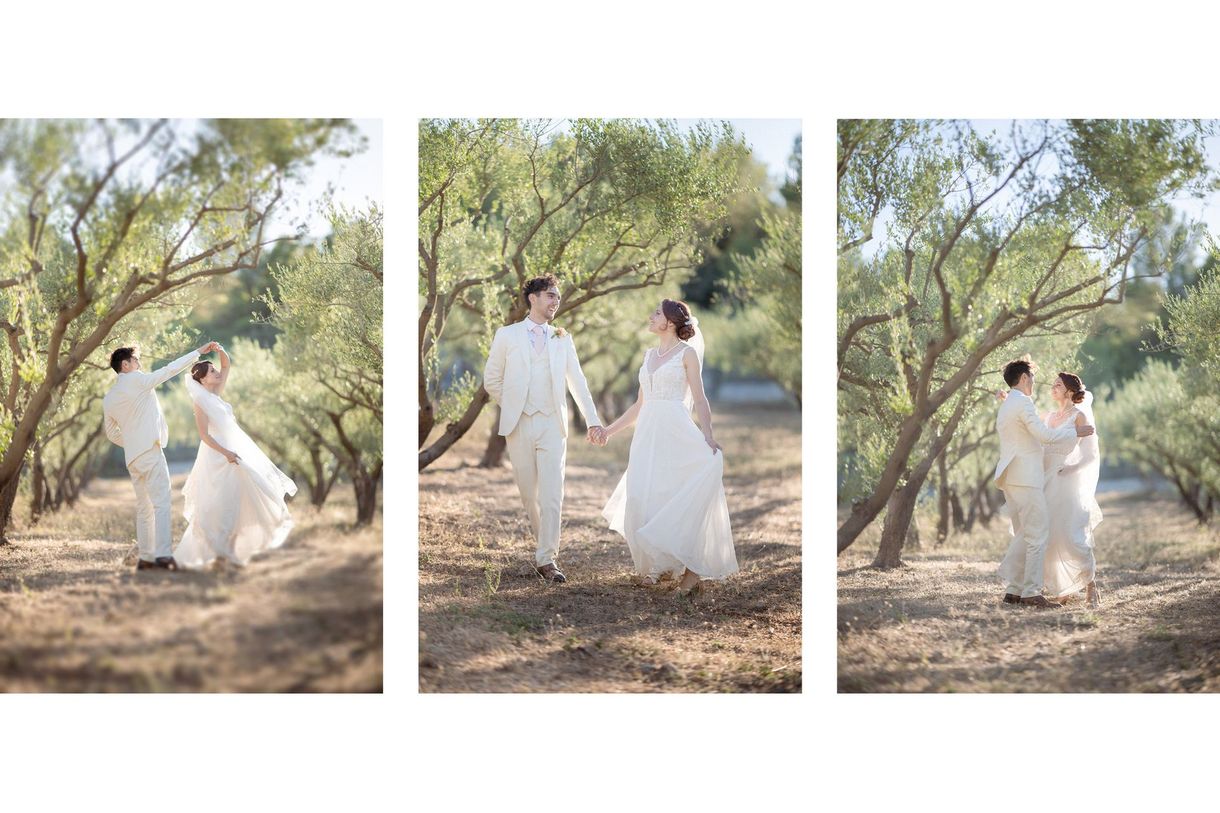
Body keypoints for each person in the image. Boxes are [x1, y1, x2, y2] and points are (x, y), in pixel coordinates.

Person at [599, 298, 738, 597]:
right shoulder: (649, 355)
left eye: (656, 313)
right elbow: (639, 404)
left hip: (675, 429)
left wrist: (708, 436)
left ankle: (692, 571)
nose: (650, 317)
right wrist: (609, 431)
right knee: (645, 493)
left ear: (671, 322)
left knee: (678, 491)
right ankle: (655, 567)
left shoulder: (687, 355)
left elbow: (700, 399)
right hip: (648, 435)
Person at [482, 275, 604, 583]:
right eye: (550, 296)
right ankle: (543, 547)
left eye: (558, 298)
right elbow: (492, 380)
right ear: (533, 298)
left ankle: (547, 559)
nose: (555, 302)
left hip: (553, 423)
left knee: (553, 494)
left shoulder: (562, 337)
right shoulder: (506, 335)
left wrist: (593, 420)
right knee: (529, 494)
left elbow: (578, 382)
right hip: (519, 423)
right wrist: (513, 405)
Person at [174, 343, 297, 569]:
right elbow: (203, 435)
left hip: (236, 454)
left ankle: (228, 553)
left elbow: (226, 365)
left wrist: (218, 349)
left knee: (240, 500)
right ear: (202, 380)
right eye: (211, 372)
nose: (217, 373)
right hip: (218, 457)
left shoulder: (216, 394)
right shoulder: (200, 401)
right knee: (221, 504)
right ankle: (220, 553)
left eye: (214, 370)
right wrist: (226, 453)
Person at [103, 342, 218, 571]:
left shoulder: (110, 397)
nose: (139, 364)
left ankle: (146, 558)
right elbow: (168, 371)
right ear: (125, 365)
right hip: (150, 453)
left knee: (144, 508)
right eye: (136, 361)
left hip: (133, 458)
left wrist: (134, 441)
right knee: (162, 504)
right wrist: (197, 353)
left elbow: (111, 433)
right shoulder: (137, 380)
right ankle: (164, 556)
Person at [994, 357, 1094, 608]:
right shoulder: (1022, 403)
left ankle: (1014, 590)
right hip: (1027, 478)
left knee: (1025, 534)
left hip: (1013, 478)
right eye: (1034, 378)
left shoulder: (1009, 405)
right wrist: (1076, 432)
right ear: (1025, 378)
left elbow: (1030, 431)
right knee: (1037, 536)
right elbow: (1045, 435)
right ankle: (1031, 592)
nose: (1038, 384)